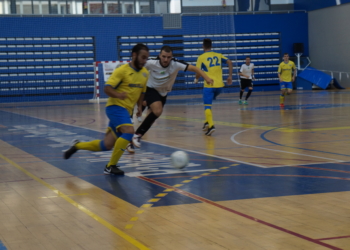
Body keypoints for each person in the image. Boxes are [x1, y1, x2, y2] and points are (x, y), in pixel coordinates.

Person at [63, 43, 150, 175]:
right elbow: (107, 88)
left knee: (106, 145)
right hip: (115, 107)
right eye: (143, 58)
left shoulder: (145, 73)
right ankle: (111, 166)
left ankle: (77, 146)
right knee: (129, 132)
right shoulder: (122, 71)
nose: (145, 61)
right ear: (134, 55)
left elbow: (142, 91)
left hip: (126, 111)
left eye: (146, 59)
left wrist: (139, 107)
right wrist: (118, 95)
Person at [131, 45, 213, 148]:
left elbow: (195, 68)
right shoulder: (151, 63)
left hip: (163, 94)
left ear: (172, 57)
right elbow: (136, 67)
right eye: (164, 56)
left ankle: (133, 139)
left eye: (168, 57)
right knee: (157, 110)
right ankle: (135, 133)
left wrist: (207, 78)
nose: (166, 59)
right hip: (150, 88)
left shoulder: (176, 64)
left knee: (152, 118)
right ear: (159, 55)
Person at [195, 38, 233, 136]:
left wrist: (196, 79)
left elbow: (198, 71)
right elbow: (230, 62)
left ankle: (211, 125)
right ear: (211, 46)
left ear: (203, 46)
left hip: (209, 85)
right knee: (210, 104)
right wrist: (230, 76)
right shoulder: (218, 55)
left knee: (207, 106)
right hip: (219, 86)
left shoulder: (201, 57)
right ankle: (207, 122)